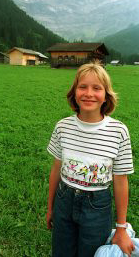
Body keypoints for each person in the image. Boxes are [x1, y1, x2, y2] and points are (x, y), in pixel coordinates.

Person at [46, 62, 134, 257]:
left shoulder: (118, 131)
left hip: (98, 207)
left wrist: (121, 228)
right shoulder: (63, 127)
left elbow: (121, 181)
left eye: (97, 88)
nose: (89, 93)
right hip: (64, 201)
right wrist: (50, 207)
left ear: (106, 96)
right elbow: (56, 170)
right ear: (74, 92)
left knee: (90, 253)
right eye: (82, 87)